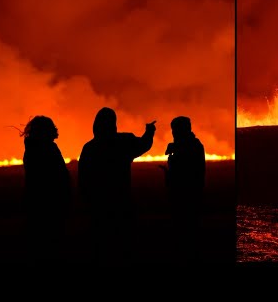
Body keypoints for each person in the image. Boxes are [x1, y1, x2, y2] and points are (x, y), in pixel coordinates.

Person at [78, 107, 156, 263]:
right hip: (122, 200)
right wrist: (149, 131)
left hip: (97, 204)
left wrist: (85, 199)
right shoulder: (124, 142)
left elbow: (83, 177)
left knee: (100, 242)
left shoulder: (90, 148)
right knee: (124, 242)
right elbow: (143, 144)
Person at [22, 115, 71, 262]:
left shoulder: (30, 149)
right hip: (51, 204)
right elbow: (61, 175)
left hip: (34, 204)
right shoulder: (49, 149)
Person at [163, 116, 205, 262]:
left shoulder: (190, 147)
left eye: (175, 130)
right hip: (188, 196)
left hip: (186, 197)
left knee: (185, 233)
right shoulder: (194, 145)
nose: (173, 134)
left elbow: (185, 173)